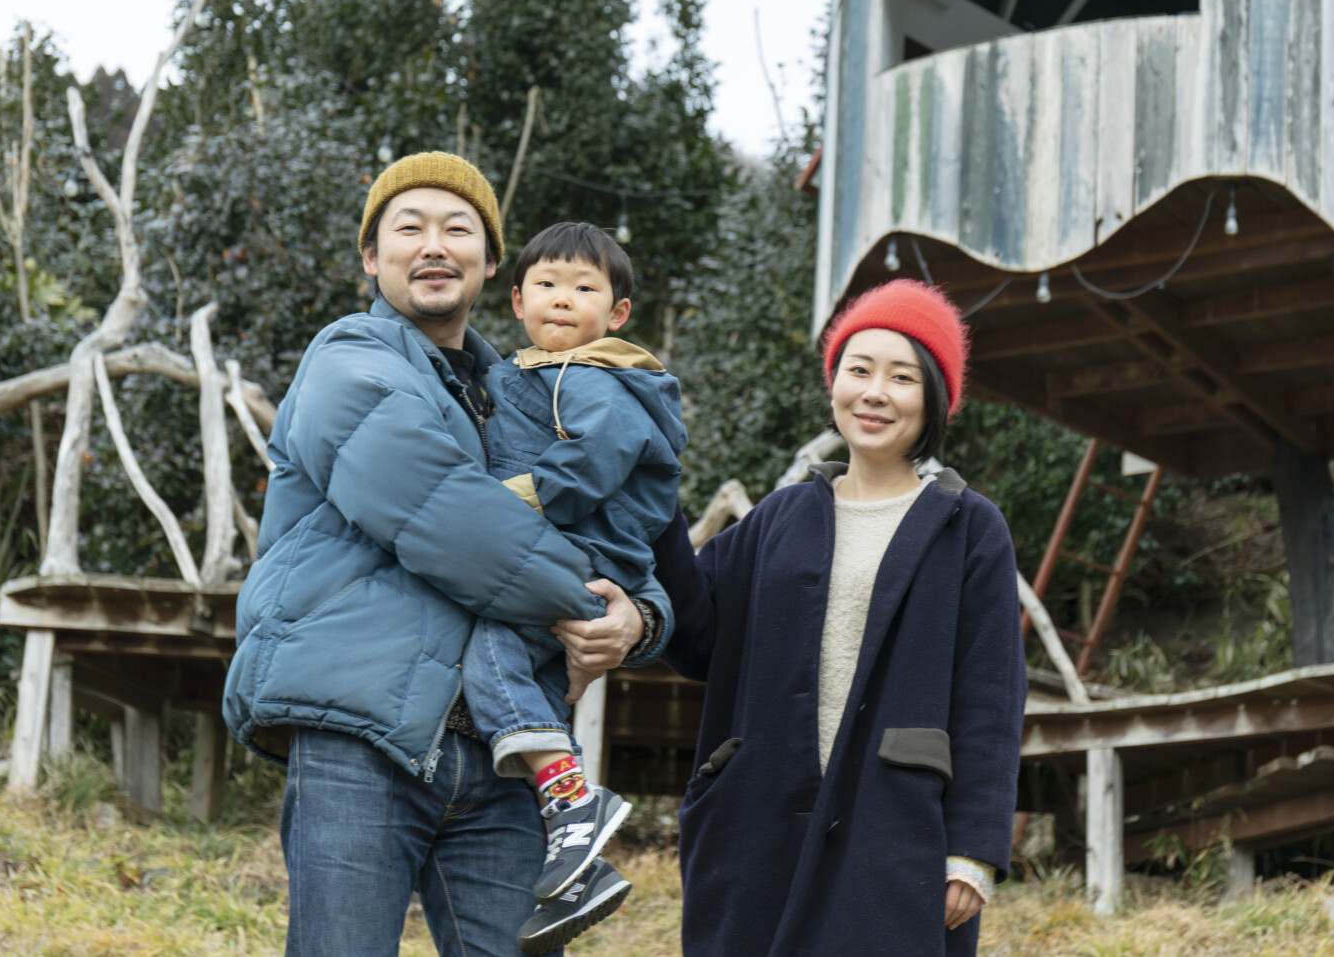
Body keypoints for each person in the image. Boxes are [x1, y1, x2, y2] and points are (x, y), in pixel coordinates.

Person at [223, 153, 669, 957]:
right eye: (409, 227)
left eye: (458, 228)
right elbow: (449, 519)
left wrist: (639, 617)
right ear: (372, 257)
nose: (434, 244)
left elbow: (648, 531)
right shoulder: (348, 360)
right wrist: (588, 601)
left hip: (504, 756)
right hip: (362, 733)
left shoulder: (536, 390)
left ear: (493, 264)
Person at [654, 278, 1029, 957]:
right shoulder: (781, 515)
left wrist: (974, 847)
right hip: (758, 817)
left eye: (902, 376)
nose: (875, 392)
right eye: (858, 369)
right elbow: (696, 632)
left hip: (896, 830)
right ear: (834, 382)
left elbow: (991, 695)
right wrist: (650, 497)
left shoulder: (970, 527)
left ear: (935, 397)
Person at [464, 220, 687, 954]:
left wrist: (514, 494)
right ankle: (574, 854)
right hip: (569, 550)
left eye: (585, 289)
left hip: (581, 552)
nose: (565, 300)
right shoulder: (528, 371)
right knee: (524, 679)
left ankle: (572, 798)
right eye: (549, 285)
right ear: (518, 298)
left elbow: (598, 457)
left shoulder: (598, 375)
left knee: (493, 656)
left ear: (616, 313)